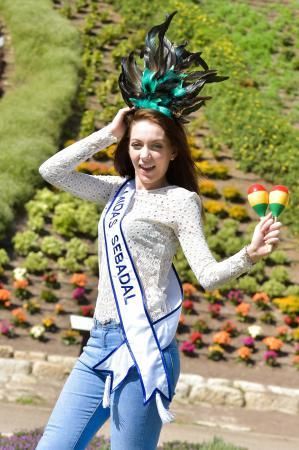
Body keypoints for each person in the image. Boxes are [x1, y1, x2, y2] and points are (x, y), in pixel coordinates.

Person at [36, 11, 282, 450]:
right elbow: (51, 170)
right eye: (135, 145)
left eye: (155, 146)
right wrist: (108, 131)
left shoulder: (180, 201)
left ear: (172, 153)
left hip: (144, 352)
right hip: (98, 346)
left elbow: (205, 275)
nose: (143, 155)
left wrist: (249, 254)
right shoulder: (116, 192)